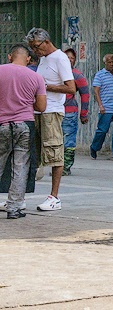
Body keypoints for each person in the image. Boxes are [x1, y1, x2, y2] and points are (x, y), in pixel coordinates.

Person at [26, 28, 75, 212]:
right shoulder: (44, 59)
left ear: (46, 42)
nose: (35, 51)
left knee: (54, 152)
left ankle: (54, 197)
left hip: (52, 112)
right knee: (32, 153)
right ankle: (19, 196)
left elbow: (71, 88)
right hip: (38, 111)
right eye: (32, 48)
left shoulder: (60, 58)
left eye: (37, 47)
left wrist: (46, 87)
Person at [0, 45, 47, 218]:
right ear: (28, 59)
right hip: (25, 125)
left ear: (9, 56)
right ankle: (14, 208)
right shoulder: (36, 77)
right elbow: (42, 107)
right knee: (20, 166)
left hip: (2, 124)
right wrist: (26, 103)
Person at [89, 54, 113, 161]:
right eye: (109, 62)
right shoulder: (100, 75)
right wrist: (100, 105)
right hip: (106, 108)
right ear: (105, 63)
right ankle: (94, 147)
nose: (111, 64)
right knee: (102, 130)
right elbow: (96, 92)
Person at [61, 48, 89, 174]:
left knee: (69, 140)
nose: (69, 60)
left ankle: (66, 167)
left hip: (70, 112)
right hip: (54, 112)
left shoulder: (77, 75)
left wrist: (84, 114)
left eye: (72, 58)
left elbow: (85, 95)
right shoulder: (56, 73)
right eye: (67, 57)